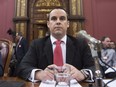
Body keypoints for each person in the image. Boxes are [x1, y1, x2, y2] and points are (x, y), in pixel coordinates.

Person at [17, 8, 95, 82]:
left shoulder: (81, 44)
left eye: (62, 18)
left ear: (67, 24)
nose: (58, 22)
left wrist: (83, 74)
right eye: (54, 19)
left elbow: (94, 68)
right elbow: (22, 67)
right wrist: (39, 74)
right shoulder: (37, 44)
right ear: (48, 24)